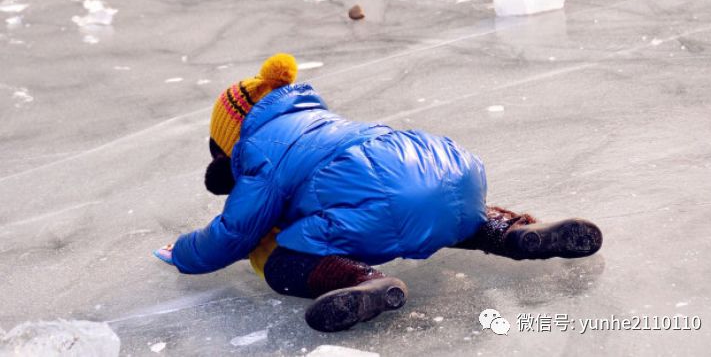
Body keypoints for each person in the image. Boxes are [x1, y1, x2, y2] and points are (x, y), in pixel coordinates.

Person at [154, 53, 602, 332]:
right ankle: (515, 232)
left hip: (380, 200)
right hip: (448, 167)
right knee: (444, 214)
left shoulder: (258, 151)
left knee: (281, 257)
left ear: (232, 137)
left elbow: (237, 232)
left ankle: (364, 282)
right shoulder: (320, 123)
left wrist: (186, 253)